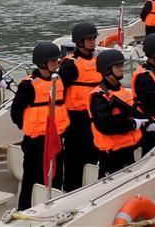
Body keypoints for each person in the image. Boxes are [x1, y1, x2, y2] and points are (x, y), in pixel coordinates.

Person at [10, 42, 69, 210]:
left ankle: (53, 209)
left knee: (56, 179)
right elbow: (16, 113)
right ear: (43, 63)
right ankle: (25, 211)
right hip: (35, 143)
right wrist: (32, 127)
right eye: (53, 61)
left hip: (56, 141)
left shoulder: (58, 80)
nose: (57, 64)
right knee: (32, 180)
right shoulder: (28, 85)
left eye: (57, 61)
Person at [89, 50, 149, 177]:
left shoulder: (123, 91)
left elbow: (135, 111)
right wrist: (132, 124)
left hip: (128, 149)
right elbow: (105, 124)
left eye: (122, 65)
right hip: (111, 155)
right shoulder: (98, 96)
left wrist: (146, 122)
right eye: (117, 66)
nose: (122, 69)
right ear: (106, 70)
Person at [59, 22, 101, 191]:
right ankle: (70, 189)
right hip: (76, 119)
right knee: (74, 159)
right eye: (88, 39)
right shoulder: (70, 64)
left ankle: (90, 188)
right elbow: (59, 90)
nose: (92, 42)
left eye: (93, 39)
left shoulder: (98, 61)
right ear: (79, 42)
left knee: (93, 156)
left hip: (94, 116)